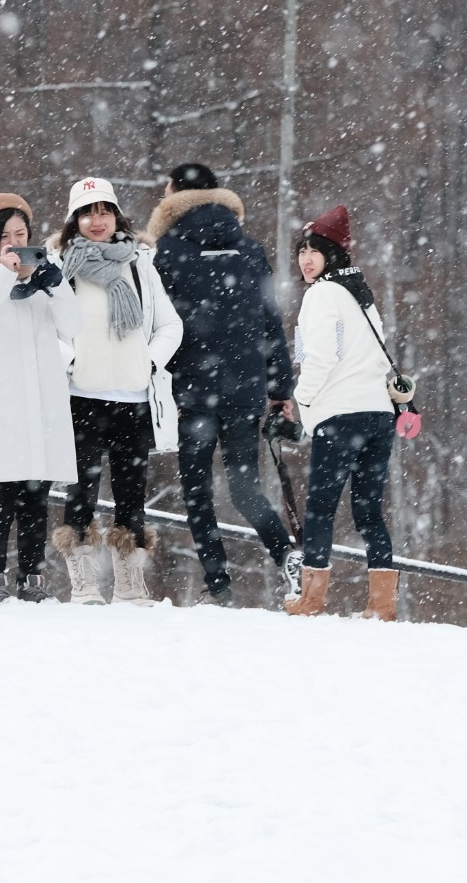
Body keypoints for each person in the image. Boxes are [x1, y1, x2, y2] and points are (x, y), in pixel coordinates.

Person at [145, 162, 303, 608]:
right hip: (244, 388)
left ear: (173, 195)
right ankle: (287, 554)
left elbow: (162, 325)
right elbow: (270, 322)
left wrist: (165, 386)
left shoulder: (167, 251)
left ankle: (219, 588)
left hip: (192, 391)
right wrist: (279, 391)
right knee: (244, 486)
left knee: (197, 492)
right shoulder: (249, 250)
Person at [49, 177, 182, 605]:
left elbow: (170, 325)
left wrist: (147, 361)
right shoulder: (59, 267)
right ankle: (84, 583)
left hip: (133, 398)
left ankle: (129, 583)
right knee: (81, 492)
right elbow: (43, 327)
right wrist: (67, 358)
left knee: (131, 494)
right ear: (75, 220)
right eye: (87, 212)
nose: (97, 220)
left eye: (104, 210)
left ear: (116, 216)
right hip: (81, 396)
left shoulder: (140, 264)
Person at [0, 192, 81, 603]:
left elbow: (73, 326)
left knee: (36, 497)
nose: (14, 242)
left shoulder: (45, 275)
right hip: (0, 405)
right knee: (1, 496)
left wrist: (56, 286)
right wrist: (5, 275)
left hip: (41, 403)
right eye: (5, 236)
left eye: (20, 233)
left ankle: (34, 579)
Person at [285, 205, 400, 620]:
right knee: (369, 509)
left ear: (332, 255)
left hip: (341, 416)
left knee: (320, 507)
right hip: (378, 416)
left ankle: (312, 599)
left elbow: (320, 358)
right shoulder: (362, 296)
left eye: (315, 250)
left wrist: (302, 400)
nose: (305, 258)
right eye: (301, 250)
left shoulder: (321, 295)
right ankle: (382, 604)